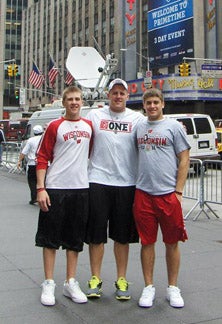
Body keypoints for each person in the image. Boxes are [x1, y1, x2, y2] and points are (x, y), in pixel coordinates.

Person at [85, 78, 143, 300]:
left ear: (128, 96)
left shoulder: (137, 118)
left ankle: (121, 279)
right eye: (114, 93)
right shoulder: (94, 116)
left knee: (122, 237)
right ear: (108, 95)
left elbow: (151, 134)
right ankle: (95, 278)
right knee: (96, 235)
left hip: (127, 184)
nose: (118, 96)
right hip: (98, 181)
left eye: (122, 93)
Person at [35, 86, 93, 306]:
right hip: (56, 188)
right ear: (63, 102)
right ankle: (49, 282)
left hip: (80, 188)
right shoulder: (54, 126)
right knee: (50, 238)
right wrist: (41, 188)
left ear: (82, 102)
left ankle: (70, 281)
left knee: (74, 239)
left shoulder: (89, 126)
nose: (74, 102)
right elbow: (42, 157)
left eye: (78, 99)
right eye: (70, 99)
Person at [133, 88, 190, 308]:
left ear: (163, 104)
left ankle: (172, 287)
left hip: (168, 195)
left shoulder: (174, 127)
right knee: (147, 242)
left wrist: (178, 192)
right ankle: (148, 287)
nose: (152, 106)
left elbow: (184, 159)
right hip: (143, 194)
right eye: (148, 103)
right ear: (144, 105)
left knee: (172, 242)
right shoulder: (138, 128)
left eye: (156, 102)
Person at [17, 125, 44, 204]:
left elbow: (24, 152)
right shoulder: (45, 139)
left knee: (32, 181)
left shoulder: (31, 140)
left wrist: (19, 161)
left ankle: (34, 197)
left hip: (32, 163)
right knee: (43, 180)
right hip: (43, 163)